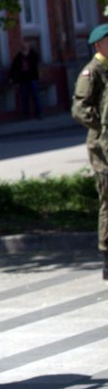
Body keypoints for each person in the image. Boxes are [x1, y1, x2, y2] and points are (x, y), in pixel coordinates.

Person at [72, 23, 108, 281]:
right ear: (98, 45)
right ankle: (106, 254)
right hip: (102, 148)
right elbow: (80, 109)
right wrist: (102, 128)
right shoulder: (92, 71)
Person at [9, 40, 42, 119]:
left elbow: (37, 65)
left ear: (29, 46)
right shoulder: (19, 57)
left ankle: (39, 113)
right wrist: (12, 78)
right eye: (23, 46)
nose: (25, 47)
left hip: (33, 79)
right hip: (23, 80)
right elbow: (14, 68)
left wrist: (38, 76)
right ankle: (26, 114)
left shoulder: (33, 55)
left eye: (26, 46)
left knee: (35, 96)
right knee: (24, 98)